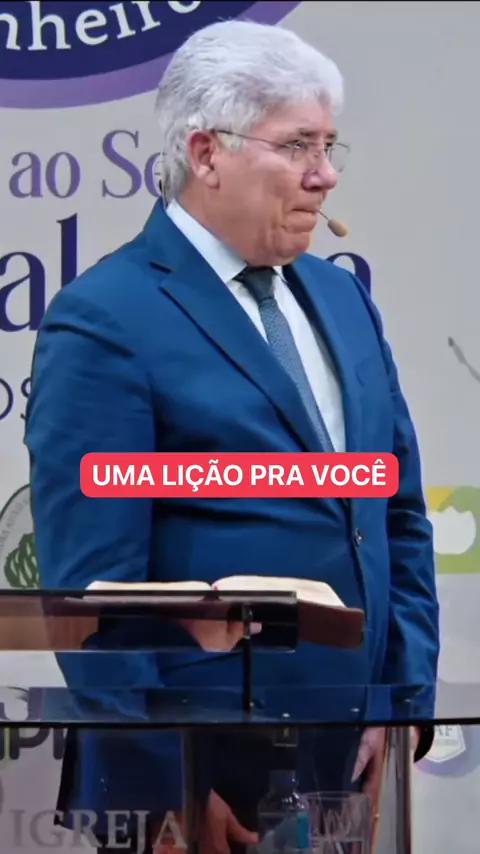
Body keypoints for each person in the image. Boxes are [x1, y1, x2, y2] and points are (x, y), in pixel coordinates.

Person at [24, 18, 440, 854]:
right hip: (198, 785)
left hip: (345, 766)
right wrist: (166, 786)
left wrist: (400, 708)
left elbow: (394, 516)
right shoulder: (105, 318)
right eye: (297, 146)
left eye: (329, 146)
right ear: (206, 152)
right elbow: (91, 592)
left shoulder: (342, 300)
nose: (325, 174)